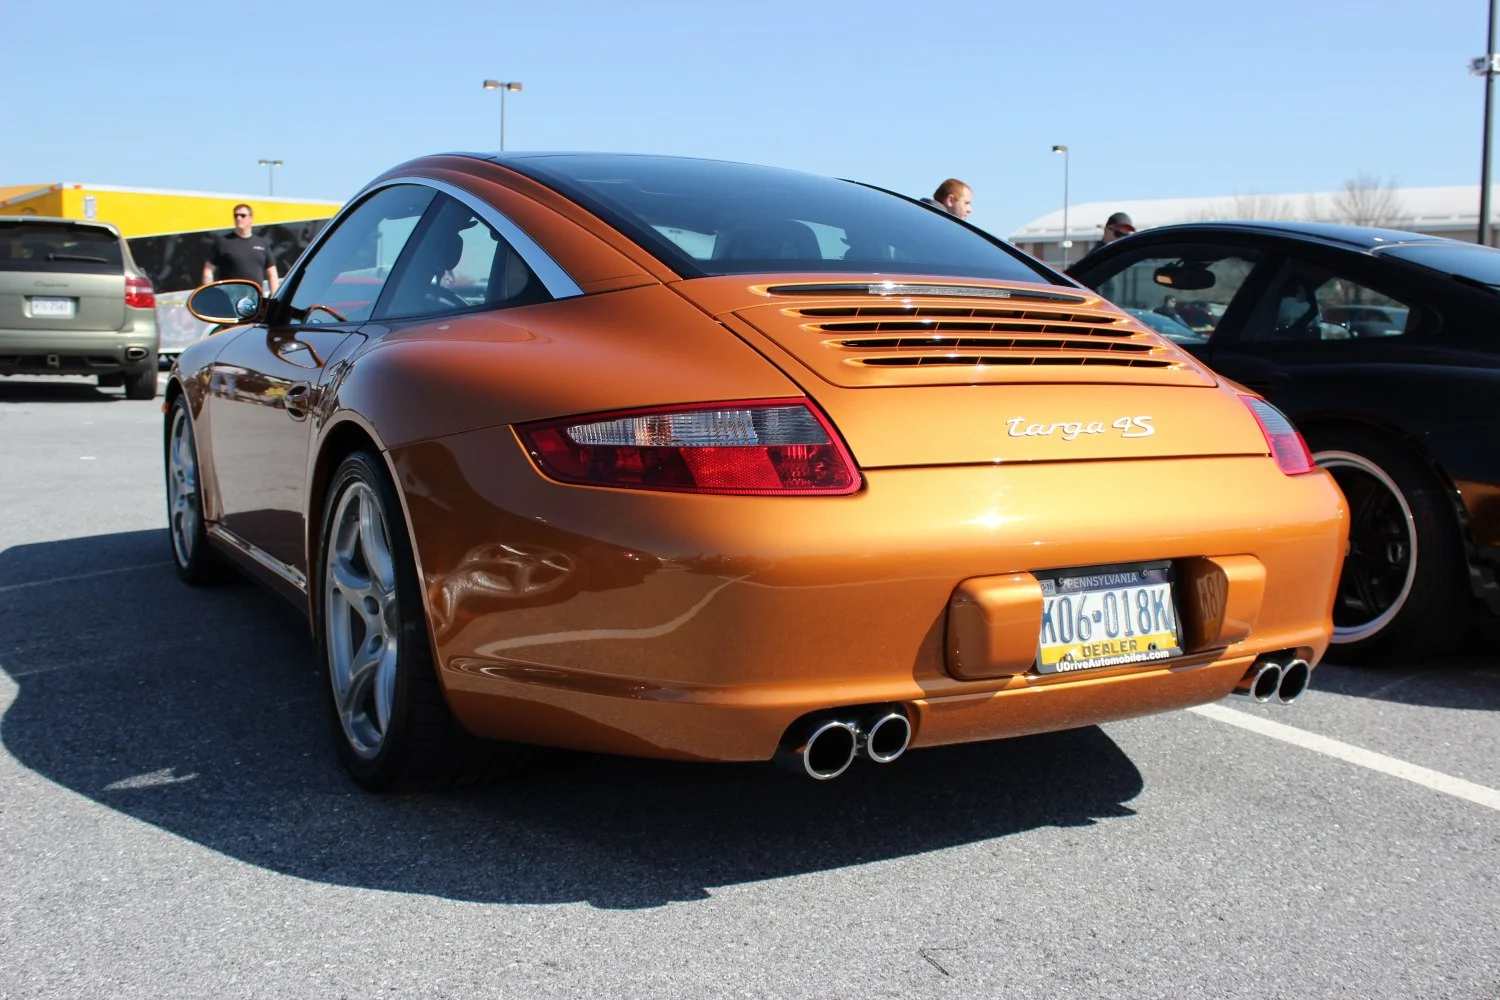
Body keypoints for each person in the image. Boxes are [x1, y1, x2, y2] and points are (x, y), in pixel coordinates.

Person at [202, 204, 280, 292]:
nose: (238, 218)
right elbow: (208, 270)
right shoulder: (223, 242)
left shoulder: (262, 243)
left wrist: (274, 297)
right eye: (236, 216)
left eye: (243, 215)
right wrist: (209, 293)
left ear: (251, 219)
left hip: (255, 299)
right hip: (230, 298)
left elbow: (272, 273)